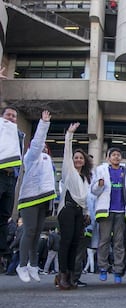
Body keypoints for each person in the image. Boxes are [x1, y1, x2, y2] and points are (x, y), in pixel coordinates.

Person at [16, 110, 56, 283]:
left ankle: (33, 265)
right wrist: (44, 124)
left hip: (45, 198)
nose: (43, 147)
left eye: (45, 146)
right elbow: (38, 142)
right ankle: (22, 265)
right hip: (30, 198)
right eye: (40, 145)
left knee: (38, 233)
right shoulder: (31, 157)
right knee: (29, 231)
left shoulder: (48, 160)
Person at [92, 147, 126, 284]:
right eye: (113, 155)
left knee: (119, 242)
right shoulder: (101, 170)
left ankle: (118, 270)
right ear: (108, 158)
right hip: (106, 210)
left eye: (118, 155)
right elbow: (94, 191)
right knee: (104, 240)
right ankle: (103, 268)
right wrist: (99, 186)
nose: (116, 157)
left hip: (121, 211)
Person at [56, 122, 92, 289]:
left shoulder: (86, 179)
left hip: (79, 212)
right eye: (76, 157)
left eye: (80, 158)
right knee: (66, 241)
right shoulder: (68, 171)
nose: (78, 159)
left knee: (75, 244)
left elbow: (85, 199)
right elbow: (67, 152)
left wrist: (86, 213)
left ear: (84, 161)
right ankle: (62, 274)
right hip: (67, 210)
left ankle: (70, 275)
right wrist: (69, 135)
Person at [0, 107, 24, 260]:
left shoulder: (19, 135)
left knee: (5, 215)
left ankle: (2, 250)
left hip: (11, 177)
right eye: (8, 115)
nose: (11, 118)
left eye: (14, 116)